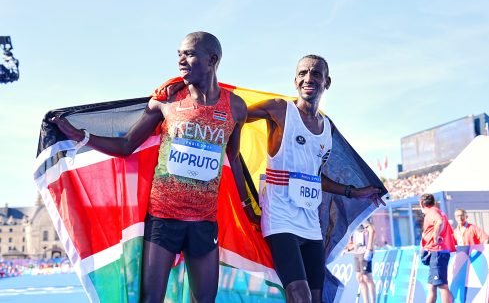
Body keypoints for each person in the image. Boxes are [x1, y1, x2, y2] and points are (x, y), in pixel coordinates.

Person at [51, 31, 253, 303]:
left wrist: (247, 207)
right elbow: (126, 146)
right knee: (151, 300)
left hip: (205, 221)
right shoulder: (166, 100)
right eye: (179, 54)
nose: (181, 60)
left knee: (205, 301)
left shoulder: (236, 108)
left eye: (189, 54)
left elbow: (234, 159)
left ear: (212, 59)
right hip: (163, 219)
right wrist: (81, 136)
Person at [246, 55, 385, 303]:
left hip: (310, 224)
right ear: (295, 80)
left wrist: (354, 192)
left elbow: (315, 178)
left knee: (317, 298)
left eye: (316, 74)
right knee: (299, 295)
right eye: (303, 73)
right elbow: (231, 114)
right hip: (279, 219)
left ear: (327, 82)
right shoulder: (279, 109)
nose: (308, 78)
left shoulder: (327, 127)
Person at [419, 193, 455, 303]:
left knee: (442, 286)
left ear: (421, 204)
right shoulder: (437, 211)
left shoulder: (432, 212)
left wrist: (435, 237)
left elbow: (439, 221)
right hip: (436, 251)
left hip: (437, 251)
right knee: (431, 286)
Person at [345, 220, 376, 303]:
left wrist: (369, 249)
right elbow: (355, 239)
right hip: (356, 252)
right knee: (360, 278)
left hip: (364, 252)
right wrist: (348, 249)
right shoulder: (353, 218)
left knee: (367, 277)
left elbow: (372, 230)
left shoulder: (363, 217)